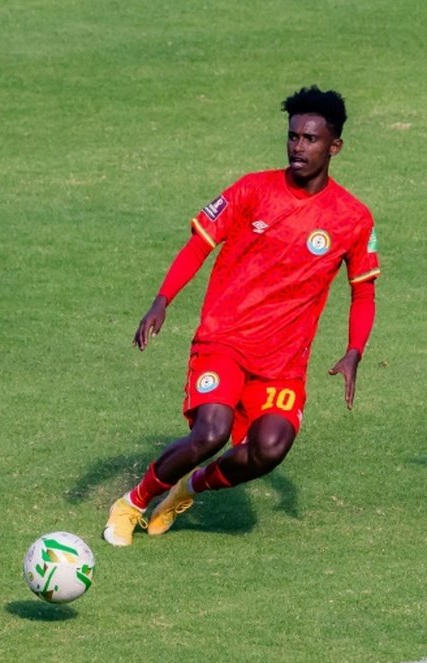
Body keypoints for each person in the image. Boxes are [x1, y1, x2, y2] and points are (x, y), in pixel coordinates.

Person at [103, 85, 380, 547]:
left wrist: (354, 351)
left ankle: (187, 489)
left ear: (335, 147)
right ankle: (131, 503)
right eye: (293, 137)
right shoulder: (253, 190)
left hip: (282, 362)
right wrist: (162, 300)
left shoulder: (352, 217)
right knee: (212, 432)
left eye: (310, 139)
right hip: (224, 340)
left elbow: (363, 293)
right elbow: (199, 245)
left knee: (270, 449)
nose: (298, 147)